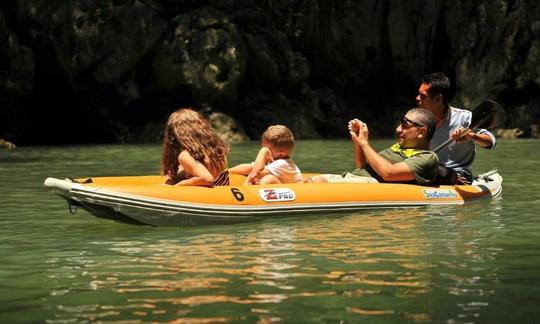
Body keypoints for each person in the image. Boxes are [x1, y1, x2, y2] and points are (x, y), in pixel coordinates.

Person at [313, 108, 439, 185]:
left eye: (405, 125)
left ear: (421, 132)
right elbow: (362, 167)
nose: (398, 129)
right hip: (354, 178)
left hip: (370, 185)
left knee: (317, 183)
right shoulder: (398, 148)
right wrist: (358, 142)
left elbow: (388, 173)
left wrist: (364, 143)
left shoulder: (427, 157)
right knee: (305, 180)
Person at [417, 72, 496, 184]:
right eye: (418, 94)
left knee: (439, 171)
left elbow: (490, 142)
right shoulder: (417, 121)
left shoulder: (465, 118)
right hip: (427, 171)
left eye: (423, 96)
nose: (417, 98)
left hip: (459, 175)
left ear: (439, 99)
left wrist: (471, 136)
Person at [161, 108, 230, 186]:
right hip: (222, 193)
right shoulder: (217, 150)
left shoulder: (186, 155)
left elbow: (207, 179)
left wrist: (178, 185)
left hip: (203, 196)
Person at [229, 125, 303, 185]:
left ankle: (253, 192)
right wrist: (227, 171)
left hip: (294, 192)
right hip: (282, 188)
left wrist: (263, 152)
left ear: (281, 153)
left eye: (268, 150)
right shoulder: (273, 161)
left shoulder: (283, 164)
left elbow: (255, 174)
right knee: (267, 177)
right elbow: (251, 168)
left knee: (269, 178)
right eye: (263, 147)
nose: (266, 151)